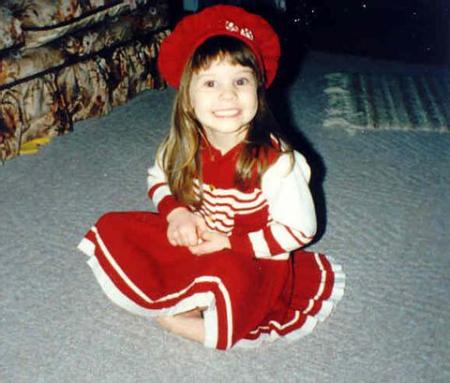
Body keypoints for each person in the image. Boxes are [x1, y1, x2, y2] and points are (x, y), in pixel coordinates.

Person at [78, 5, 345, 350]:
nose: (227, 94)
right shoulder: (185, 143)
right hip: (200, 232)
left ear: (258, 92)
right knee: (115, 228)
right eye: (210, 82)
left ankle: (187, 313)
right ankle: (190, 290)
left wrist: (230, 243)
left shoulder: (277, 162)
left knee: (230, 290)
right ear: (188, 99)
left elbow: (301, 229)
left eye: (240, 80)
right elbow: (158, 178)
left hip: (254, 255)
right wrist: (177, 213)